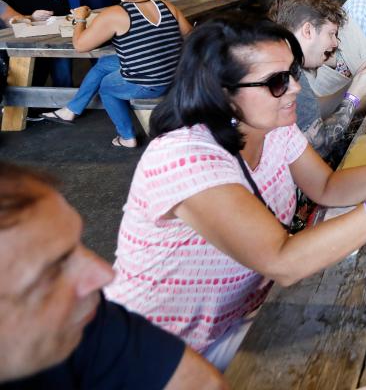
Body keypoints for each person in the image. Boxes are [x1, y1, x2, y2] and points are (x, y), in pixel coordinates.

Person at [104, 15, 366, 370]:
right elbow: (283, 262)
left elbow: (326, 187)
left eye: (292, 73)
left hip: (245, 316)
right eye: (276, 82)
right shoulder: (186, 156)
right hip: (165, 351)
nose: (295, 88)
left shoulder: (271, 126)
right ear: (222, 93)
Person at [0, 162, 224, 389]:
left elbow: (203, 383)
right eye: (53, 271)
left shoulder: (82, 320)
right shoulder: (182, 159)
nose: (105, 274)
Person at [40, 0, 191, 148]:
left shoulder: (115, 13)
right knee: (105, 64)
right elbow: (189, 34)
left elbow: (80, 45)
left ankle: (127, 137)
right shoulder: (166, 5)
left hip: (152, 84)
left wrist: (80, 18)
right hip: (175, 74)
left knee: (106, 87)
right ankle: (71, 110)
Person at [271, 0, 366, 160]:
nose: (335, 43)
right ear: (308, 30)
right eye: (331, 34)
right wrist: (354, 96)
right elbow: (320, 146)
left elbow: (313, 107)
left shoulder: (289, 60)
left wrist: (355, 83)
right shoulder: (279, 70)